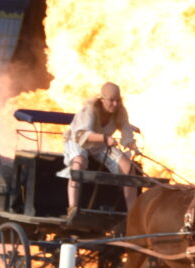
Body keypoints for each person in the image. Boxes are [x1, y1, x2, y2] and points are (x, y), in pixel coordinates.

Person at [59, 82, 139, 219]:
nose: (115, 104)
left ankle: (133, 214)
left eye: (118, 100)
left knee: (128, 168)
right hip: (78, 141)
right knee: (79, 163)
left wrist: (133, 146)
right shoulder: (89, 110)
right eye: (111, 100)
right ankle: (72, 208)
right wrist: (104, 138)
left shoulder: (121, 112)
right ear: (102, 99)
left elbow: (126, 132)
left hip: (101, 145)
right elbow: (81, 134)